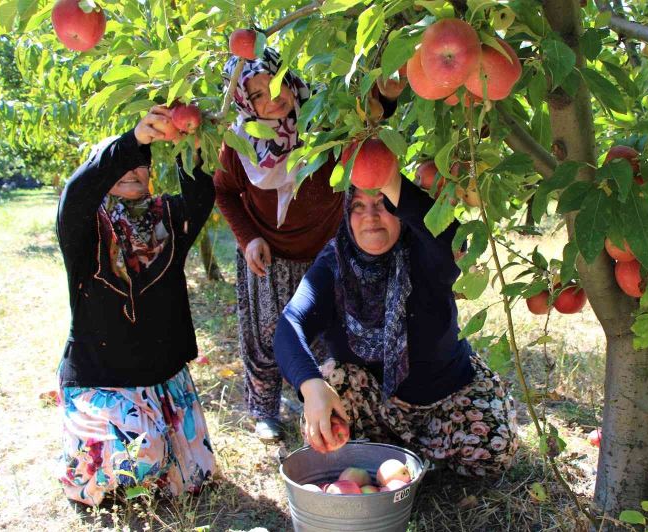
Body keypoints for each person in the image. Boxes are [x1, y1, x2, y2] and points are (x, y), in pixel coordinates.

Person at [274, 168, 520, 477]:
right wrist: (311, 387)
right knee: (330, 390)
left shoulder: (427, 251)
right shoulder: (334, 263)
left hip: (446, 397)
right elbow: (289, 326)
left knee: (495, 449)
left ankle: (405, 462)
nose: (371, 216)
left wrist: (387, 173)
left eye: (384, 204)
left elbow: (448, 237)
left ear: (401, 211)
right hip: (375, 406)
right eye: (358, 206)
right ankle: (392, 458)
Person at [214, 48, 403, 442]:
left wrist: (387, 90)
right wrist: (249, 239)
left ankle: (320, 403)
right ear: (244, 103)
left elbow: (368, 118)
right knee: (267, 336)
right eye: (259, 94)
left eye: (277, 83)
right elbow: (225, 192)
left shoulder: (320, 118)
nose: (274, 98)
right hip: (270, 253)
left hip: (327, 250)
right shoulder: (240, 142)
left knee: (326, 336)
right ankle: (265, 409)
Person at [56, 106, 216, 506]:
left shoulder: (168, 219)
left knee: (191, 479)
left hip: (161, 376)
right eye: (120, 161)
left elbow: (200, 197)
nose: (130, 170)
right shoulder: (82, 227)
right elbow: (77, 192)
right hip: (101, 375)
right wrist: (132, 141)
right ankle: (85, 464)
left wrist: (187, 143)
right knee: (134, 461)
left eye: (140, 163)